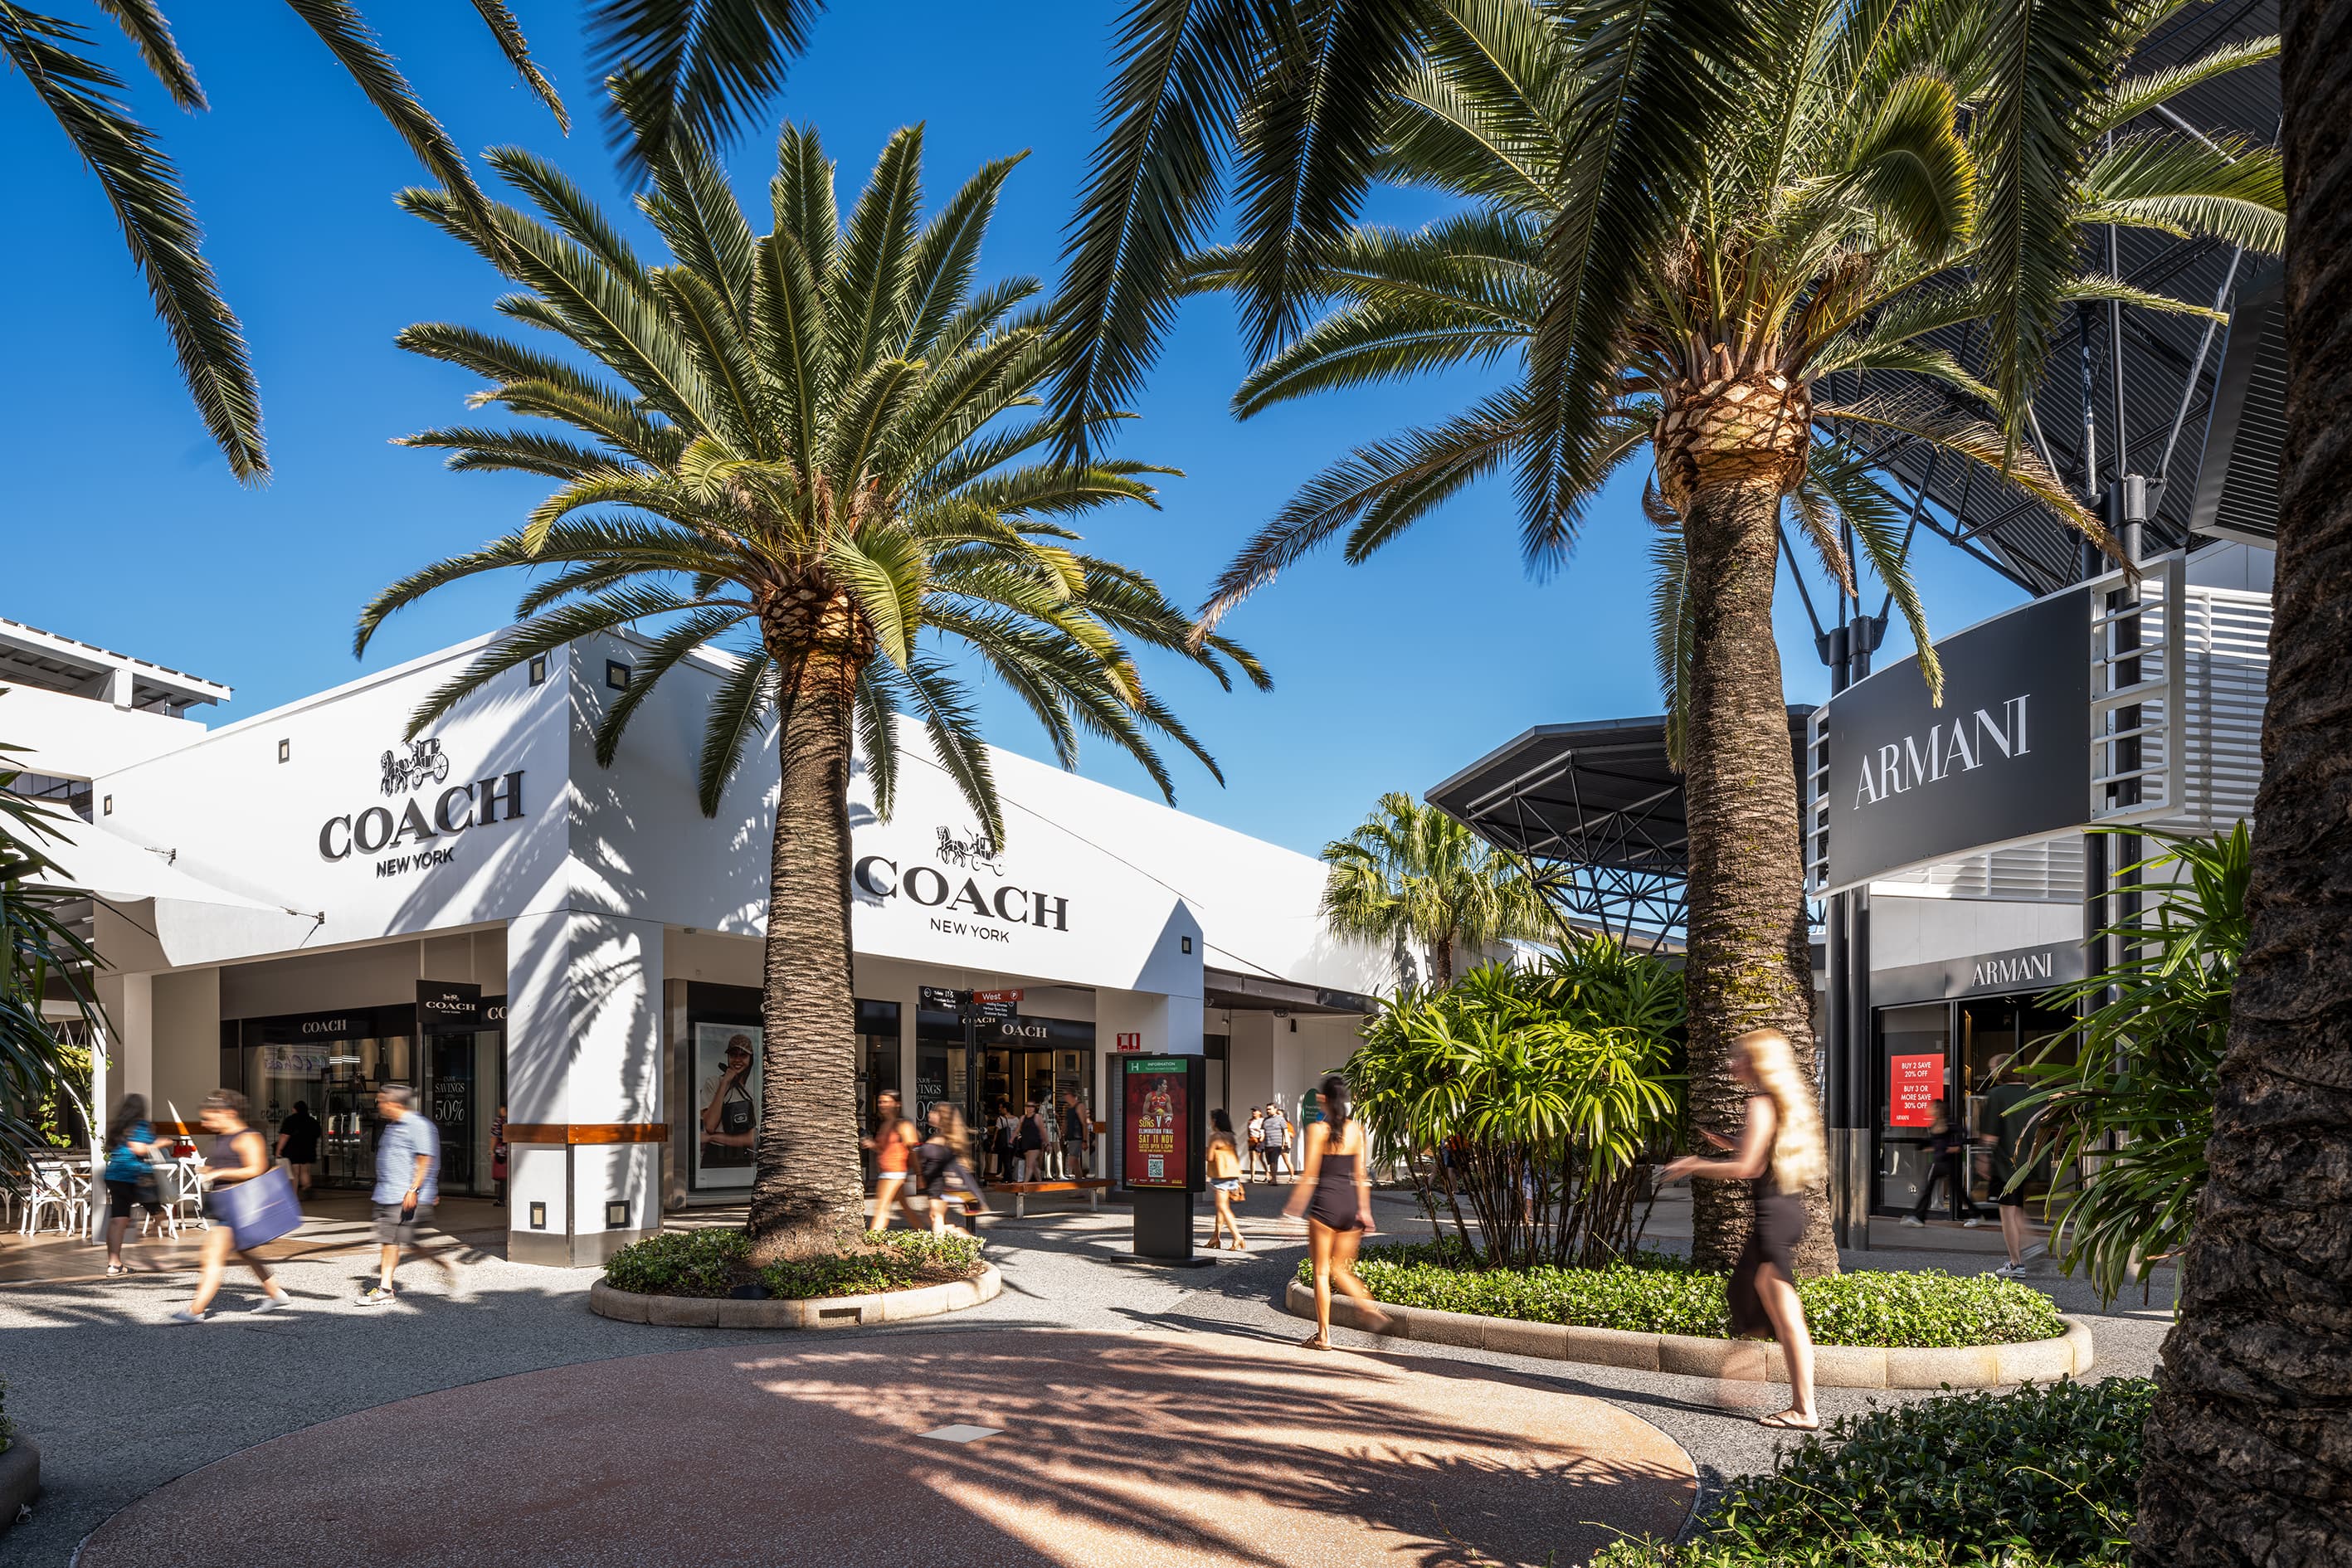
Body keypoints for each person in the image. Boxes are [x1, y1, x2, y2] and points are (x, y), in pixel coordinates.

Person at [1657, 1027, 1828, 1429]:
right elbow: (1762, 1150)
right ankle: (1750, 1381)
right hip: (1784, 1213)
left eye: (1739, 1056)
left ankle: (1803, 1409)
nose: (1733, 1063)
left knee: (1787, 1318)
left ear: (1757, 1062)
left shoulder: (1761, 1103)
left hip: (1772, 1218)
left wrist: (1693, 1165)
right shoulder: (1784, 1103)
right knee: (1751, 1298)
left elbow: (1750, 1167)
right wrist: (1731, 1141)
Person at [172, 1090, 293, 1322]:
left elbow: (256, 1168)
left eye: (210, 1118)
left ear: (227, 1113)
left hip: (240, 1207)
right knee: (246, 1251)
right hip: (226, 1206)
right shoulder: (222, 1137)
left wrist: (219, 1172)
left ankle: (195, 1310)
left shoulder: (248, 1137)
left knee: (211, 1256)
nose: (206, 1123)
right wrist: (208, 1171)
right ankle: (275, 1293)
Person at [1286, 1074, 1385, 1347]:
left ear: (1324, 1100)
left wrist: (1293, 1210)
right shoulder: (1357, 1130)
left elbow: (1309, 1176)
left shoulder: (1318, 1130)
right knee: (1342, 1270)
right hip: (1350, 1206)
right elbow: (1361, 1176)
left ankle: (1324, 1336)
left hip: (1325, 1207)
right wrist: (1365, 1212)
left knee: (1321, 1272)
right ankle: (1368, 1308)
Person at [362, 1083, 440, 1306]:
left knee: (393, 1241)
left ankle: (386, 1289)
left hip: (403, 1195)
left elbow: (425, 1158)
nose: (379, 1105)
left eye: (381, 1101)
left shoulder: (418, 1125)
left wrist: (415, 1189)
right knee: (394, 1241)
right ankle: (387, 1286)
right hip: (387, 1193)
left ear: (394, 1103)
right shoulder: (393, 1126)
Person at [1982, 1055, 2050, 1278]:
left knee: (2007, 1211)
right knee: (2017, 1208)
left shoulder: (1997, 1095)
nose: (1991, 1073)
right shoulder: (2035, 1092)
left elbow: (1990, 1136)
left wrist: (1982, 1160)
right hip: (2030, 1162)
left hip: (2005, 1163)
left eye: (1992, 1069)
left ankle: (2016, 1262)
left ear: (2001, 1071)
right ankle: (2031, 1245)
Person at [101, 1093, 166, 1275]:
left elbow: (112, 1148)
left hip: (115, 1175)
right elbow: (139, 1148)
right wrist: (162, 1142)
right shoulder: (141, 1125)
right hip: (136, 1177)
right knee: (159, 1213)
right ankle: (148, 1256)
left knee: (118, 1220)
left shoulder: (117, 1127)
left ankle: (114, 1264)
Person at [1900, 1100, 1970, 1227]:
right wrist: (1927, 1147)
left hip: (1946, 1162)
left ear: (1938, 1110)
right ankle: (1918, 1217)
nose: (1928, 1109)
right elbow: (1936, 1142)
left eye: (1931, 1107)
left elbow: (1963, 1132)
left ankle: (1976, 1214)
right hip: (1939, 1161)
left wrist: (1956, 1146)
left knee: (1955, 1191)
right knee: (1930, 1189)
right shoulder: (1935, 1123)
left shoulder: (1947, 1123)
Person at [916, 1103, 982, 1236]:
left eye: (935, 1112)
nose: (930, 1114)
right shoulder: (938, 1136)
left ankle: (941, 1250)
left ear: (943, 1117)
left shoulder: (947, 1140)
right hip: (933, 1183)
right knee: (935, 1217)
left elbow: (956, 1167)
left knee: (936, 1217)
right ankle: (960, 1235)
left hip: (940, 1183)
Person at [864, 1092, 923, 1231]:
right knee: (905, 1207)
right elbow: (882, 1148)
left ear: (897, 1104)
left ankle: (873, 1240)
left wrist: (919, 1175)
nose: (882, 1105)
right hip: (887, 1172)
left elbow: (913, 1150)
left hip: (894, 1173)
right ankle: (924, 1234)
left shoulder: (903, 1125)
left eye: (886, 1102)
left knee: (882, 1208)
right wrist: (871, 1144)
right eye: (880, 1102)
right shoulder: (885, 1125)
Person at [699, 1034, 758, 1168]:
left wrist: (712, 1138)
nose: (737, 1060)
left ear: (750, 1059)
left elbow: (749, 1139)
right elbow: (710, 1125)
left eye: (743, 1055)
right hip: (714, 1156)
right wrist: (725, 1082)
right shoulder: (714, 1083)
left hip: (741, 1158)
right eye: (733, 1055)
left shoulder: (751, 1093)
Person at [1205, 1108, 1247, 1251]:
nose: (1210, 1122)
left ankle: (1237, 1236)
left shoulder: (1215, 1136)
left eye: (1211, 1119)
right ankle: (1215, 1237)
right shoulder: (1230, 1136)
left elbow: (1210, 1157)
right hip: (1232, 1175)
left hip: (1220, 1176)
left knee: (1223, 1207)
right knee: (1221, 1208)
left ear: (1215, 1121)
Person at [274, 1098, 322, 1196]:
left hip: (294, 1150)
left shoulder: (290, 1120)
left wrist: (279, 1150)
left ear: (295, 1109)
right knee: (305, 1170)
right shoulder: (312, 1121)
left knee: (295, 1172)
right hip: (308, 1149)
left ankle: (294, 1195)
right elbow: (317, 1134)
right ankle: (306, 1188)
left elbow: (284, 1136)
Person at [1061, 1092, 1090, 1179]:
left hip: (1077, 1137)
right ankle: (1079, 1182)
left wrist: (1085, 1140)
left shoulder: (1079, 1106)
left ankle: (1070, 1181)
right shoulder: (1069, 1108)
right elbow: (1066, 1122)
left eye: (1067, 1094)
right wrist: (1062, 1133)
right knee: (1076, 1164)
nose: (1065, 1097)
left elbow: (1084, 1124)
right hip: (1070, 1137)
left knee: (1071, 1160)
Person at [1016, 1099, 1046, 1181]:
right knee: (1033, 1165)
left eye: (1032, 1106)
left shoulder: (1037, 1117)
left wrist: (1047, 1143)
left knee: (1029, 1165)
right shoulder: (1023, 1118)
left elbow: (1043, 1131)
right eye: (1028, 1106)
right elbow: (1018, 1129)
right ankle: (1040, 1183)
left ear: (1034, 1108)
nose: (1030, 1108)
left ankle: (1025, 1188)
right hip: (1026, 1144)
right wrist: (1012, 1139)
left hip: (1035, 1143)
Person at [1262, 1103, 1292, 1181]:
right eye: (1267, 1109)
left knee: (1274, 1161)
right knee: (1270, 1163)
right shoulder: (1265, 1120)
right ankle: (1273, 1178)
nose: (1268, 1111)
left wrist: (1286, 1142)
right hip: (1267, 1144)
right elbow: (1262, 1131)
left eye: (1270, 1109)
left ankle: (1274, 1180)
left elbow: (1285, 1131)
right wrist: (1260, 1141)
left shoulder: (1280, 1119)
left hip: (1276, 1144)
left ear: (1275, 1109)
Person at [489, 1103, 509, 1205]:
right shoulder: (513, 1119)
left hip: (501, 1151)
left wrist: (491, 1150)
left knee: (503, 1177)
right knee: (509, 1175)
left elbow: (494, 1136)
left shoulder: (499, 1121)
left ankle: (501, 1200)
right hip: (511, 1150)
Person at [1246, 1108, 1267, 1182]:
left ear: (1259, 1112)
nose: (1253, 1112)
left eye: (1255, 1111)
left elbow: (1263, 1130)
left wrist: (1261, 1138)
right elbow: (1248, 1131)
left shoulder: (1262, 1120)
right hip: (1252, 1140)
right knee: (1252, 1159)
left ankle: (1267, 1174)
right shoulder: (1250, 1121)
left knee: (1261, 1158)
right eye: (1253, 1111)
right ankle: (1252, 1177)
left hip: (1259, 1140)